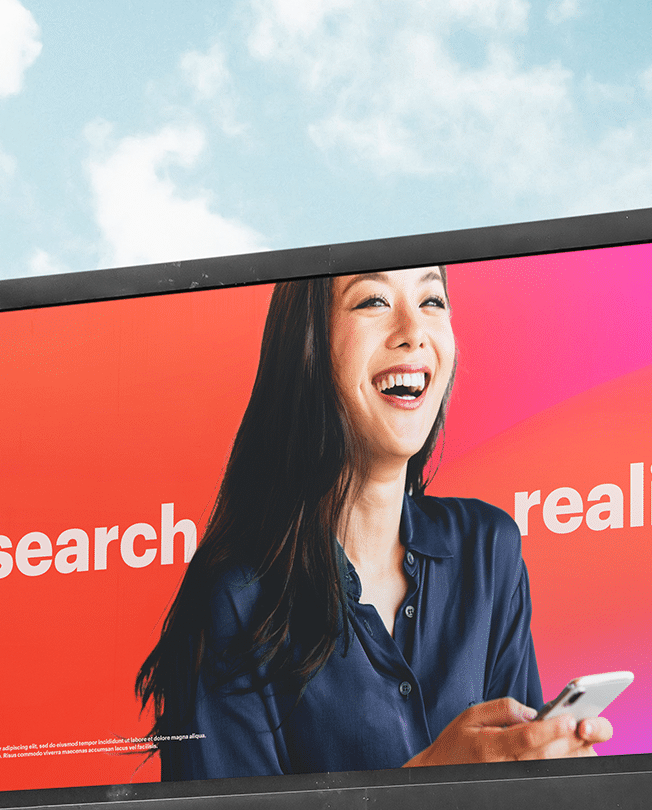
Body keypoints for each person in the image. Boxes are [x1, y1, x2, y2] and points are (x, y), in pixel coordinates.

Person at [136, 267, 612, 782]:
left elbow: (517, 807)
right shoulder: (234, 596)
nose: (414, 330)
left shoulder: (488, 549)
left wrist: (556, 785)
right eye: (372, 301)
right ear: (308, 346)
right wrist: (427, 786)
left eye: (432, 300)